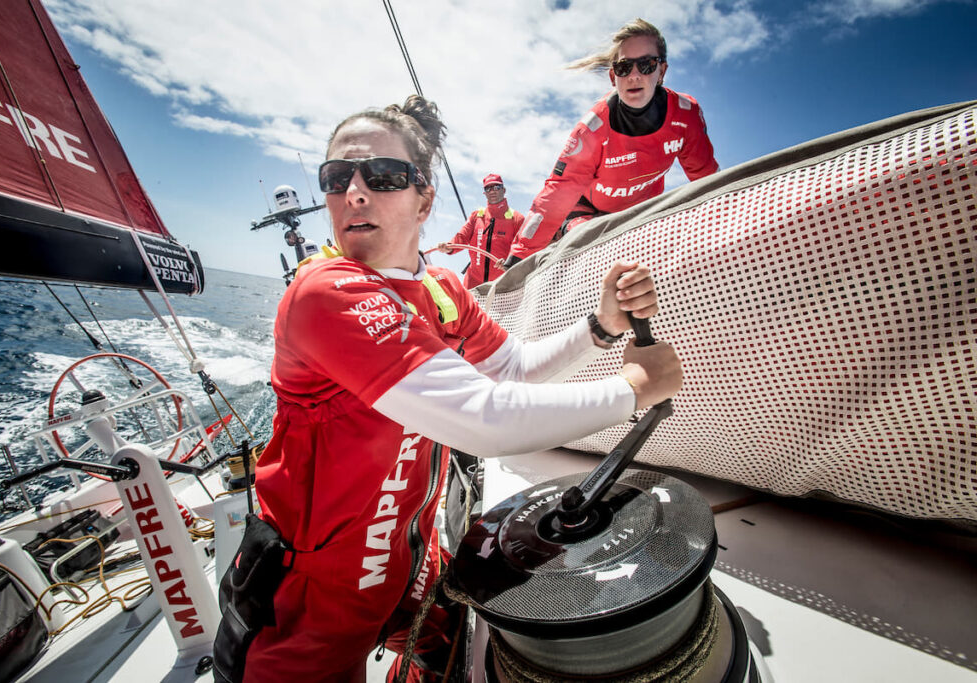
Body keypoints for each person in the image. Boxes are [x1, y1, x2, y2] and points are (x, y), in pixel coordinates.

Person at [215, 94, 682, 683]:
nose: (354, 193)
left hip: (403, 563)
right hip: (307, 606)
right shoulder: (325, 294)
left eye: (382, 176)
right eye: (337, 178)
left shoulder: (439, 289)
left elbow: (512, 369)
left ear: (425, 198)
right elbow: (483, 421)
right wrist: (635, 387)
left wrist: (601, 327)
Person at [505, 18, 719, 265]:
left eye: (647, 65)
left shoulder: (686, 114)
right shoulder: (593, 128)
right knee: (591, 244)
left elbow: (707, 181)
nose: (634, 76)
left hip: (638, 213)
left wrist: (723, 226)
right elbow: (557, 192)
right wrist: (519, 255)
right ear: (612, 76)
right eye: (624, 67)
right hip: (585, 214)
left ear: (662, 71)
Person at [436, 173, 524, 287]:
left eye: (496, 187)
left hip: (503, 284)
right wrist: (448, 246)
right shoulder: (476, 216)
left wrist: (510, 263)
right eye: (488, 188)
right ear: (484, 193)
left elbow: (522, 248)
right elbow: (461, 237)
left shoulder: (517, 219)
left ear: (504, 190)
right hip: (473, 283)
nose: (492, 191)